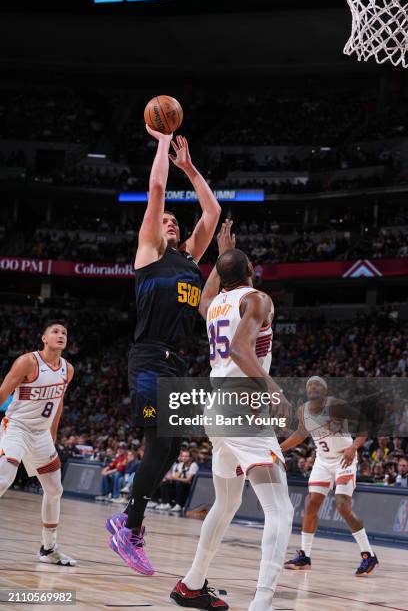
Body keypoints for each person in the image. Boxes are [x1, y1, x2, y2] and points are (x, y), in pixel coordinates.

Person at [106, 127, 221, 575]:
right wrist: (160, 143)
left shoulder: (191, 260)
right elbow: (156, 189)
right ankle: (129, 526)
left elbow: (211, 210)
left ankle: (129, 521)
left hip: (178, 362)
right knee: (159, 441)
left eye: (176, 221)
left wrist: (189, 168)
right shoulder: (150, 251)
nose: (170, 223)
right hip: (150, 356)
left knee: (172, 448)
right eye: (166, 221)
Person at [170, 231, 293, 611]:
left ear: (222, 277)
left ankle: (191, 584)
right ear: (252, 270)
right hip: (244, 407)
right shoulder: (258, 299)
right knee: (280, 509)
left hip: (216, 409)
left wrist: (222, 257)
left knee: (226, 504)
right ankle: (263, 602)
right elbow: (241, 349)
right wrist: (273, 389)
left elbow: (205, 298)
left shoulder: (216, 304)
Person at [281, 376, 378, 576]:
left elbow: (365, 421)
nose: (312, 387)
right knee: (311, 504)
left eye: (317, 385)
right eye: (309, 385)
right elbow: (300, 433)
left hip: (345, 459)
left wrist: (354, 446)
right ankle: (305, 556)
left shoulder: (335, 405)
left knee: (342, 506)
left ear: (324, 391)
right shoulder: (303, 410)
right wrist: (279, 449)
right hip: (323, 461)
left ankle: (369, 555)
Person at [0, 321, 76, 566]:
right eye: (55, 331)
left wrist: (52, 433)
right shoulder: (28, 362)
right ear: (44, 338)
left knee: (55, 490)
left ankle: (48, 548)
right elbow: (3, 391)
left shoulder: (68, 369)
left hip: (41, 434)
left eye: (64, 332)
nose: (60, 335)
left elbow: (59, 401)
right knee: (3, 479)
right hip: (17, 427)